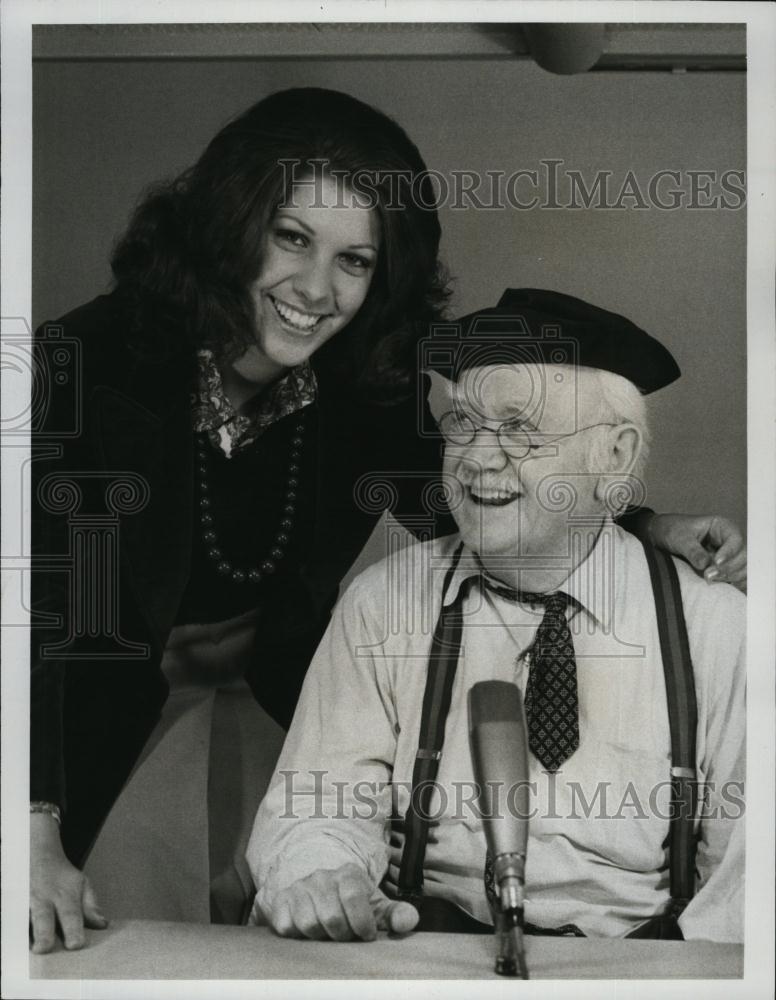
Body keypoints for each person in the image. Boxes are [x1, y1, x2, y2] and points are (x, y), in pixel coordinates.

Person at [29, 88, 744, 953]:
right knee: (89, 931)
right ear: (228, 221)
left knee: (249, 919)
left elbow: (497, 493)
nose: (316, 291)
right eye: (291, 238)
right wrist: (29, 823)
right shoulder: (87, 364)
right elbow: (39, 610)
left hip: (264, 691)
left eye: (355, 261)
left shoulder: (361, 380)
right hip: (77, 705)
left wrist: (644, 523)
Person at [247, 289, 745, 945]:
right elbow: (319, 806)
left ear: (615, 457)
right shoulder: (384, 605)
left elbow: (746, 884)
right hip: (423, 953)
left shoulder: (716, 626)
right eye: (461, 425)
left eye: (520, 429)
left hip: (638, 966)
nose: (478, 458)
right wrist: (323, 878)